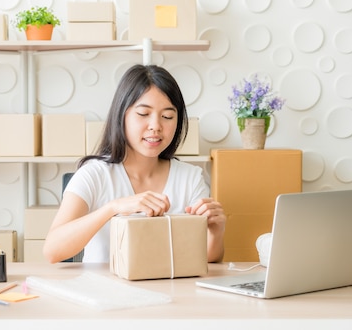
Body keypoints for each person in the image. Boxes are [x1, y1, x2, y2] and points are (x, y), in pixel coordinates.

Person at [43, 64, 226, 264]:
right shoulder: (94, 174)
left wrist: (215, 232)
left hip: (171, 292)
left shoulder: (190, 178)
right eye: (143, 114)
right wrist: (113, 208)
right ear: (122, 115)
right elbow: (53, 251)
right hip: (104, 292)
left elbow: (208, 259)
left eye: (167, 116)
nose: (156, 126)